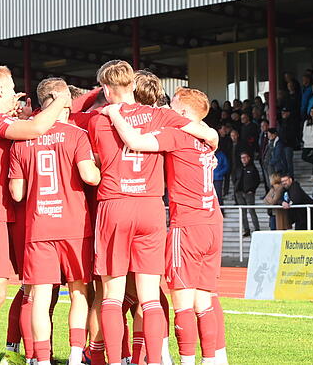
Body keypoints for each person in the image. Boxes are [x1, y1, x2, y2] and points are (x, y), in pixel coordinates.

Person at [87, 60, 218, 365]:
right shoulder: (162, 115)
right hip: (150, 207)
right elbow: (205, 132)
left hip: (114, 205)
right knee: (150, 298)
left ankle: (116, 360)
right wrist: (213, 139)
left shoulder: (98, 119)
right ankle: (155, 361)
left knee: (112, 296)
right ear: (133, 84)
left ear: (106, 88)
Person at [0, 64, 71, 365]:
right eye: (11, 89)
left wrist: (17, 116)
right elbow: (36, 129)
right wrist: (61, 98)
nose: (15, 95)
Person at [9, 78, 101, 365]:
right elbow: (90, 176)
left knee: (39, 294)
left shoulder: (23, 137)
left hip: (40, 227)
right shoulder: (75, 135)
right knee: (79, 290)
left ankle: (41, 358)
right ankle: (75, 355)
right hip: (74, 225)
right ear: (63, 99)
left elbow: (17, 192)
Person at [234, 151, 261, 237]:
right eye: (242, 158)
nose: (244, 159)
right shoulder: (238, 168)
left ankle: (257, 229)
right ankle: (246, 230)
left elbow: (257, 180)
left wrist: (252, 190)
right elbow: (234, 178)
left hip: (249, 193)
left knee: (251, 211)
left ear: (249, 158)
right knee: (243, 213)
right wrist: (236, 189)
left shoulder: (252, 168)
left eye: (245, 157)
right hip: (239, 193)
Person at [277, 106, 299, 177]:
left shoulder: (292, 121)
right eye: (282, 112)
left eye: (285, 113)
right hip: (282, 144)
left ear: (288, 113)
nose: (283, 114)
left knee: (288, 161)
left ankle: (290, 177)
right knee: (283, 161)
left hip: (289, 144)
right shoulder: (282, 122)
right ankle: (285, 176)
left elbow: (293, 133)